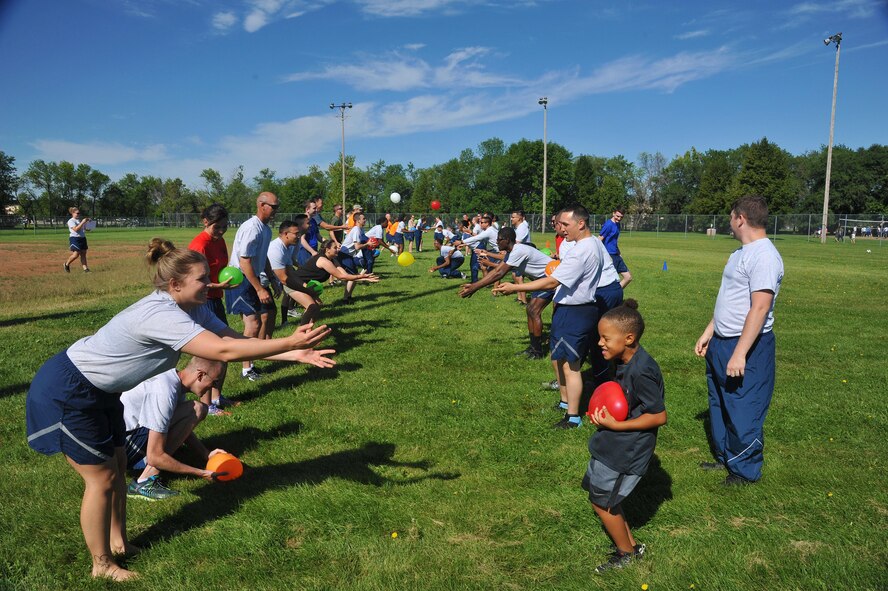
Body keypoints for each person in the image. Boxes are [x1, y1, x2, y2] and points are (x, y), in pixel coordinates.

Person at [26, 238, 335, 581]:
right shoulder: (161, 314)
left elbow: (235, 340)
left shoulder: (193, 307)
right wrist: (290, 341)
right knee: (101, 478)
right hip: (69, 390)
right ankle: (102, 565)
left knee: (116, 466)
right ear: (174, 284)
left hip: (104, 392)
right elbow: (223, 351)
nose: (212, 284)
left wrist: (292, 354)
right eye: (203, 278)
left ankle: (119, 545)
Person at [695, 195, 784, 486]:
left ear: (740, 219)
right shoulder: (739, 253)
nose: (729, 223)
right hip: (722, 342)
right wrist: (710, 331)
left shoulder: (765, 256)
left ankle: (745, 472)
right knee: (720, 403)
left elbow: (760, 307)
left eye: (731, 217)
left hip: (746, 346)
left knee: (744, 407)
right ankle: (726, 458)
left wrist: (740, 353)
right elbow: (729, 301)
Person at [493, 205, 602, 428]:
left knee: (571, 366)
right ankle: (565, 404)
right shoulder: (584, 245)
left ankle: (573, 418)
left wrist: (514, 288)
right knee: (558, 359)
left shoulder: (583, 250)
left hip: (576, 311)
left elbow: (553, 281)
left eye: (565, 224)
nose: (561, 229)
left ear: (581, 223)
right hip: (568, 309)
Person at [586, 300, 667, 573]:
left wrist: (616, 426)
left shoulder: (643, 370)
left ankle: (625, 554)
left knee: (602, 502)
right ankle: (631, 546)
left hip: (628, 448)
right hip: (613, 443)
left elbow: (658, 416)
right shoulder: (623, 360)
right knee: (607, 498)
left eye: (605, 338)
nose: (600, 343)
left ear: (629, 338)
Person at [122, 357, 228, 500]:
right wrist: (200, 473)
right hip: (121, 447)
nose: (213, 387)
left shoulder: (173, 381)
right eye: (214, 382)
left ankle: (146, 473)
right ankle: (144, 482)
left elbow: (182, 427)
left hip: (123, 438)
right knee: (197, 409)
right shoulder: (164, 391)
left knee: (197, 409)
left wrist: (206, 454)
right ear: (200, 375)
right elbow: (155, 457)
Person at [459, 227, 553, 359]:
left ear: (507, 240)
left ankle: (537, 352)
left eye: (499, 240)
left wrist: (475, 287)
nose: (497, 242)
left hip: (551, 279)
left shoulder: (518, 250)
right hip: (541, 280)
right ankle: (533, 348)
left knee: (533, 310)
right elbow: (498, 269)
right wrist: (475, 284)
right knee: (530, 310)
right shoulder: (512, 252)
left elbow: (499, 273)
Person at [226, 192, 279, 381]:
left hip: (252, 278)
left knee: (257, 322)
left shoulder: (266, 229)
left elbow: (262, 257)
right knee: (253, 323)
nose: (276, 211)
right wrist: (259, 288)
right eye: (274, 206)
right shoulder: (252, 228)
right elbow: (245, 260)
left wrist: (272, 279)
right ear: (261, 205)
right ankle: (246, 369)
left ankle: (249, 365)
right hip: (241, 279)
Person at [188, 203, 236, 415]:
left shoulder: (220, 240)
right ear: (205, 222)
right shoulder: (199, 245)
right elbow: (193, 281)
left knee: (224, 350)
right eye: (217, 227)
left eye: (224, 226)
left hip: (216, 299)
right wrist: (217, 286)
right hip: (202, 301)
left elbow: (222, 269)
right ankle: (206, 405)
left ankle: (217, 397)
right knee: (208, 353)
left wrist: (226, 283)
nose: (221, 231)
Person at [287, 239, 379, 321]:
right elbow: (341, 277)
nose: (338, 249)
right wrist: (362, 277)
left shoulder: (333, 260)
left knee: (317, 305)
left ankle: (307, 330)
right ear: (327, 250)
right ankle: (304, 332)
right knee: (312, 306)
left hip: (304, 285)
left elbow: (345, 275)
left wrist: (362, 277)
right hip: (293, 282)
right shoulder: (323, 261)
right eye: (335, 248)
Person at [268, 217, 306, 327]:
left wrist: (304, 285)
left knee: (269, 315)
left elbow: (291, 272)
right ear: (286, 234)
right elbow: (284, 279)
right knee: (259, 319)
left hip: (267, 282)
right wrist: (306, 290)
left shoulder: (285, 248)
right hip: (257, 284)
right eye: (296, 233)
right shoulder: (276, 249)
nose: (298, 236)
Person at [450, 215, 500, 283]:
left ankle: (479, 282)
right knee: (485, 267)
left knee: (484, 267)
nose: (480, 224)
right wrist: (464, 243)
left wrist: (461, 242)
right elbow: (478, 237)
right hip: (494, 250)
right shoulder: (490, 230)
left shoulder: (488, 231)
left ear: (487, 223)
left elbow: (476, 238)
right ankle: (484, 283)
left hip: (495, 251)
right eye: (480, 222)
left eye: (482, 222)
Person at [600, 207, 632, 289]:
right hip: (609, 255)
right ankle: (612, 297)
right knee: (611, 281)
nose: (619, 218)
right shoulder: (608, 225)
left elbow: (614, 241)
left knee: (628, 277)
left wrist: (619, 253)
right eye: (617, 216)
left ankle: (617, 292)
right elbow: (599, 239)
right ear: (613, 213)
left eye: (621, 217)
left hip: (616, 254)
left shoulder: (617, 224)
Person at [65, 206, 92, 273]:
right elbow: (76, 229)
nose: (78, 214)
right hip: (75, 238)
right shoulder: (71, 221)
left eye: (79, 213)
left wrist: (88, 224)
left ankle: (85, 269)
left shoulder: (79, 220)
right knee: (76, 254)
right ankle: (66, 264)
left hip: (82, 238)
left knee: (83, 253)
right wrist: (82, 222)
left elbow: (84, 228)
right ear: (72, 213)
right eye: (77, 213)